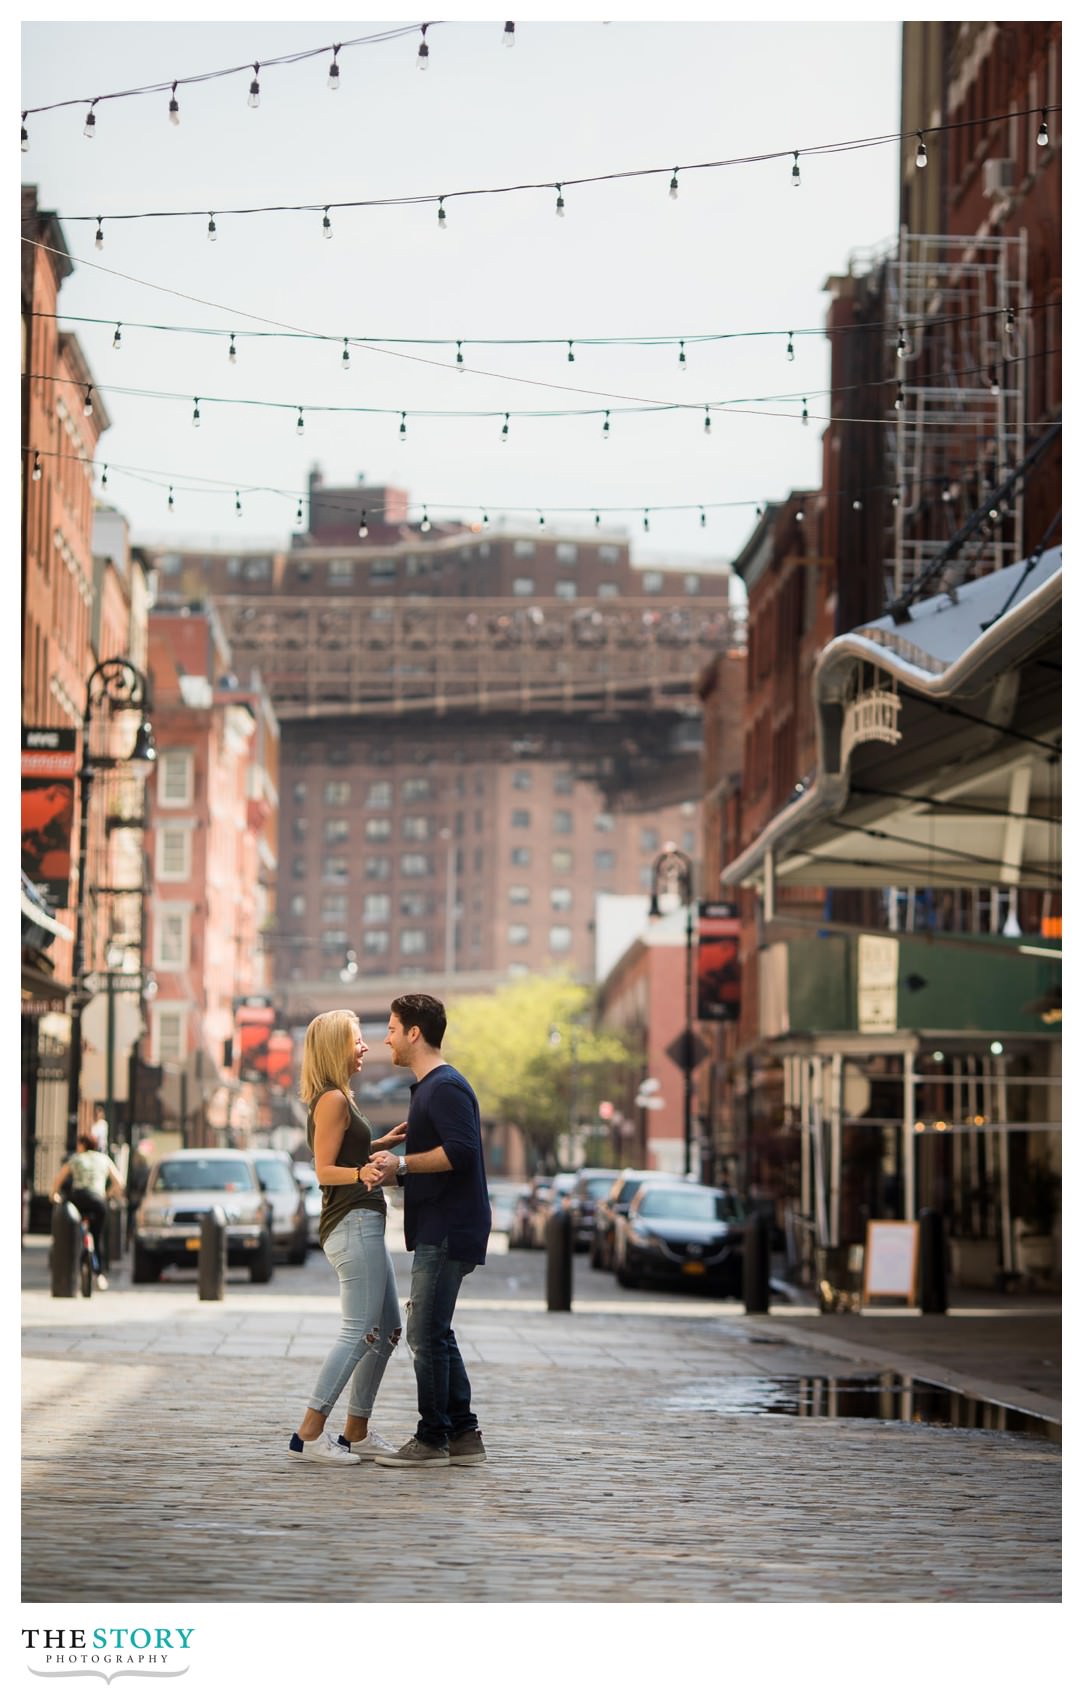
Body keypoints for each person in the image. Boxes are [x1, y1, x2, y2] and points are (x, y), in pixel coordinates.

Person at [362, 993, 492, 1468]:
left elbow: (461, 1152)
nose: (387, 1039)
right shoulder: (433, 1088)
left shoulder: (445, 1086)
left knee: (424, 1334)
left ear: (414, 1033)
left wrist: (401, 1163)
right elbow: (438, 1157)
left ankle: (432, 1438)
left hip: (449, 1228)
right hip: (441, 1225)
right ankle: (463, 1435)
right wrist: (396, 1163)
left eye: (393, 1029)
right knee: (436, 1331)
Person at [288, 1009, 406, 1466]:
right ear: (337, 1046)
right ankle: (309, 1434)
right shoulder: (333, 1098)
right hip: (351, 1221)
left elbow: (343, 1155)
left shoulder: (340, 1097)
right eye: (357, 1040)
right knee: (361, 1332)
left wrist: (379, 1146)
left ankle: (355, 1433)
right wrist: (362, 1170)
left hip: (364, 1220)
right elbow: (323, 1170)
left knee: (389, 1330)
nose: (366, 1047)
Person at [51, 1132, 125, 1290]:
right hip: (98, 1201)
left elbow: (58, 1180)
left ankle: (75, 1266)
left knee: (73, 1234)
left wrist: (54, 1195)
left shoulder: (76, 1158)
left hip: (78, 1200)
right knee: (97, 1238)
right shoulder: (103, 1159)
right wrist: (107, 1194)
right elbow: (120, 1182)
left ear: (82, 1145)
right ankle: (99, 1274)